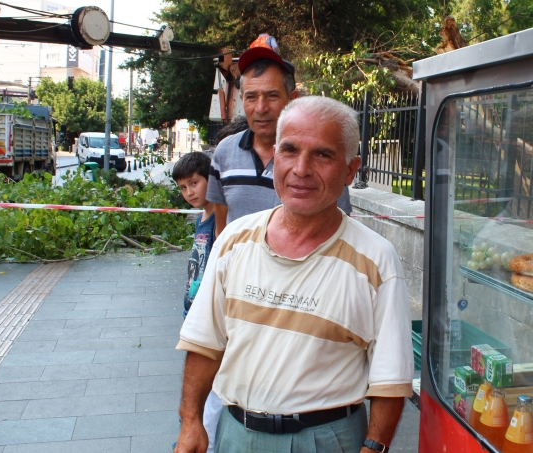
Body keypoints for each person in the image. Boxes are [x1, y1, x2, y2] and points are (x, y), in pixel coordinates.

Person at [174, 96, 414, 453]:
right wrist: (191, 421)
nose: (301, 169)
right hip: (236, 434)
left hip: (328, 439)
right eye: (289, 150)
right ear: (276, 158)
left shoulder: (376, 260)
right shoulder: (234, 241)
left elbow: (390, 378)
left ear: (350, 170)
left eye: (323, 154)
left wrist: (374, 448)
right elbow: (205, 344)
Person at [207, 34, 353, 236]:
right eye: (251, 97)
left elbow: (339, 225)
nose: (261, 108)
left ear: (292, 98)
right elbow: (221, 227)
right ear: (242, 99)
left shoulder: (316, 160)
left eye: (272, 96)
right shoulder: (224, 153)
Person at [171, 152, 222, 453]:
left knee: (210, 391)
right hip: (192, 310)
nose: (189, 192)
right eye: (183, 187)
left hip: (208, 313)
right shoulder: (202, 215)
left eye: (194, 183)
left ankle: (207, 443)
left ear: (211, 180)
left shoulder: (218, 215)